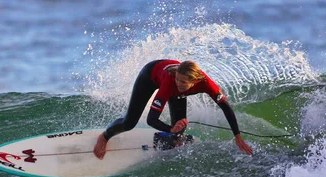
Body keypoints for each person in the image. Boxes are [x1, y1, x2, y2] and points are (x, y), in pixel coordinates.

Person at [93, 59, 253, 159]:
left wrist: (237, 136)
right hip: (149, 76)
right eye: (178, 79)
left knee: (179, 131)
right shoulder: (171, 83)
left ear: (194, 81)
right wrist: (170, 128)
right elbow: (151, 119)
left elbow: (226, 107)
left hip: (177, 91)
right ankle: (105, 136)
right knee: (129, 122)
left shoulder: (206, 83)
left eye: (183, 82)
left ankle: (165, 138)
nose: (179, 83)